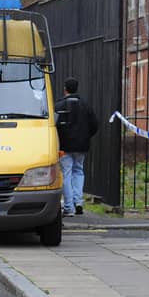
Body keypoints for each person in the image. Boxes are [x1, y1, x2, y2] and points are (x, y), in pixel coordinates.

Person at [55, 78, 98, 217]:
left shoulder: (59, 105)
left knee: (66, 174)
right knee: (78, 171)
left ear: (65, 88)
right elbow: (94, 125)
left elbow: (54, 126)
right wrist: (85, 137)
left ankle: (68, 207)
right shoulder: (86, 105)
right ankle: (78, 202)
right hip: (81, 145)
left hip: (64, 146)